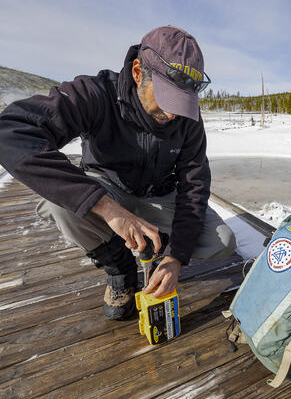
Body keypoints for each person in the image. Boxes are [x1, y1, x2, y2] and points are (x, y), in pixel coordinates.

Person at [0, 26, 236, 320]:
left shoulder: (188, 120)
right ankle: (119, 266)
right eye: (166, 99)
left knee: (222, 242)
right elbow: (10, 133)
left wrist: (176, 256)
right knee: (57, 206)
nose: (174, 115)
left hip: (159, 195)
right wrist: (108, 208)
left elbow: (194, 184)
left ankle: (158, 247)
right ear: (138, 72)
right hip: (108, 191)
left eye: (182, 104)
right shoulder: (94, 93)